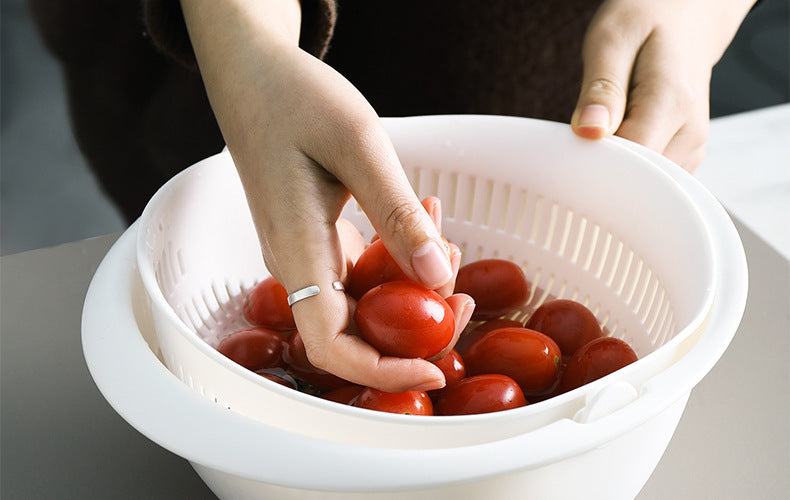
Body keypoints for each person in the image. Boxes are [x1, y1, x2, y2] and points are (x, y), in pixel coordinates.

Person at [32, 0, 758, 392]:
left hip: (534, 78)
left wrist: (696, 13)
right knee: (221, 226)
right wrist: (246, 46)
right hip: (210, 73)